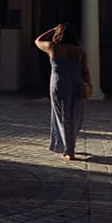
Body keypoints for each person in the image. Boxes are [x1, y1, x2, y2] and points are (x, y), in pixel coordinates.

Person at [34, 23, 92, 160]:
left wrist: (52, 30)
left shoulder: (53, 47)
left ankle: (69, 150)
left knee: (62, 115)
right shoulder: (79, 51)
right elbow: (85, 71)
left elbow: (37, 41)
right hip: (76, 83)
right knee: (75, 116)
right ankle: (69, 146)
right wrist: (89, 85)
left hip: (59, 84)